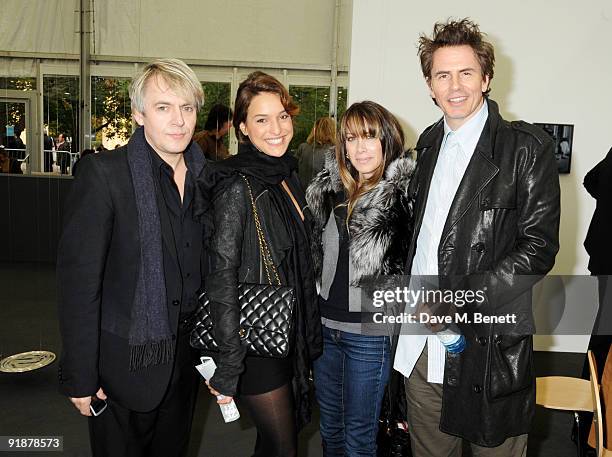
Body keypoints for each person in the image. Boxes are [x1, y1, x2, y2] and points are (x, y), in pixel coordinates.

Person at [393, 18, 560, 456]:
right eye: (442, 75)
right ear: (429, 85)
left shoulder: (526, 147)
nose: (455, 86)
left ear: (486, 78)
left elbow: (539, 248)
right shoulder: (427, 144)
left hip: (489, 347)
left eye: (466, 72)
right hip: (421, 343)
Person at [57, 58, 206, 457]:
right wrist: (81, 377)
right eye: (163, 107)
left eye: (187, 108)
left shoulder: (207, 179)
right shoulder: (105, 176)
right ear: (139, 114)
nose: (178, 120)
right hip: (122, 367)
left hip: (184, 363)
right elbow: (79, 287)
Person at [197, 71, 322, 457]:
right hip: (254, 339)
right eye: (261, 119)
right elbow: (221, 273)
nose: (276, 128)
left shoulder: (286, 176)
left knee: (272, 444)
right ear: (242, 128)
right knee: (283, 448)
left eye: (282, 116)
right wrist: (231, 362)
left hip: (285, 330)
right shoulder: (237, 184)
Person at [306, 100, 414, 456]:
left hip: (369, 333)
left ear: (387, 139)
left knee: (359, 437)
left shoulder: (402, 195)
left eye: (369, 137)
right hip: (327, 328)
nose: (360, 147)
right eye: (351, 138)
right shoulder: (332, 190)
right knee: (331, 431)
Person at [296, 116, 336, 188]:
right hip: (322, 196)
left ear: (314, 130)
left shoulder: (303, 147)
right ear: (332, 131)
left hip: (300, 194)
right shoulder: (334, 151)